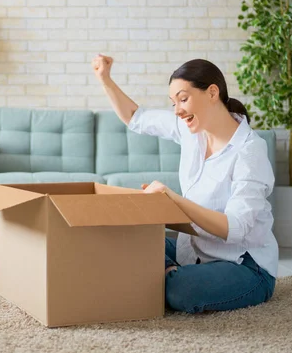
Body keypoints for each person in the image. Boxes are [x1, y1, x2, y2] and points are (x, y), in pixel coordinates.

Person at [91, 55, 278, 314]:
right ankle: (171, 271)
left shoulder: (249, 151)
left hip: (244, 265)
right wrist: (105, 79)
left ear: (212, 92)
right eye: (173, 103)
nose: (177, 110)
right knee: (126, 239)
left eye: (183, 98)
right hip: (194, 251)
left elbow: (235, 229)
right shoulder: (191, 131)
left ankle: (171, 276)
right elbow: (137, 118)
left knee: (182, 291)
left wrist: (174, 200)